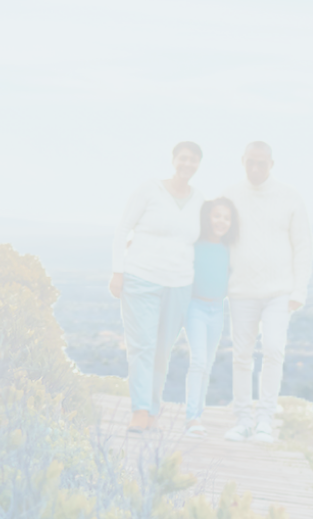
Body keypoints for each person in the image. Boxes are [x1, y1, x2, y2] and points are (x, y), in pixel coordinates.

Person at [221, 141, 313, 443]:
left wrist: (299, 290)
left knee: (273, 350)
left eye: (262, 163)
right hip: (240, 291)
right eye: (251, 162)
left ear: (271, 164)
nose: (256, 168)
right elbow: (214, 237)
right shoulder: (230, 196)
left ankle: (265, 422)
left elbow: (302, 246)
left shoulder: (291, 198)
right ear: (242, 161)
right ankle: (243, 421)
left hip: (279, 293)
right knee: (241, 356)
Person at [111, 141, 205, 433]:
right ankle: (140, 409)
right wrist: (118, 270)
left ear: (198, 165)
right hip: (141, 278)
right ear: (174, 159)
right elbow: (122, 229)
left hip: (179, 284)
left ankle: (153, 407)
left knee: (162, 350)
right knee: (142, 346)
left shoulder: (200, 200)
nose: (187, 164)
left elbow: (203, 242)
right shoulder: (149, 190)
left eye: (194, 160)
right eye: (183, 158)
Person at [184, 198, 237, 438]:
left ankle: (198, 414)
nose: (221, 221)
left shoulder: (228, 249)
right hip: (195, 307)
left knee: (206, 365)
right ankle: (191, 417)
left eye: (226, 218)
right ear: (208, 217)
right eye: (217, 216)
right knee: (198, 361)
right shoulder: (195, 245)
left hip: (218, 310)